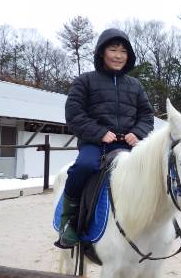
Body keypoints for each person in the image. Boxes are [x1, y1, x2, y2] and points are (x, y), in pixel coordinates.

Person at [56, 28, 154, 248]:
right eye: (113, 49)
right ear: (102, 53)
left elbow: (147, 115)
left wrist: (137, 133)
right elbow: (74, 114)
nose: (119, 55)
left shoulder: (135, 85)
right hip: (95, 143)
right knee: (83, 166)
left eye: (123, 51)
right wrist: (99, 133)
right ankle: (68, 221)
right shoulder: (85, 81)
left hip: (128, 144)